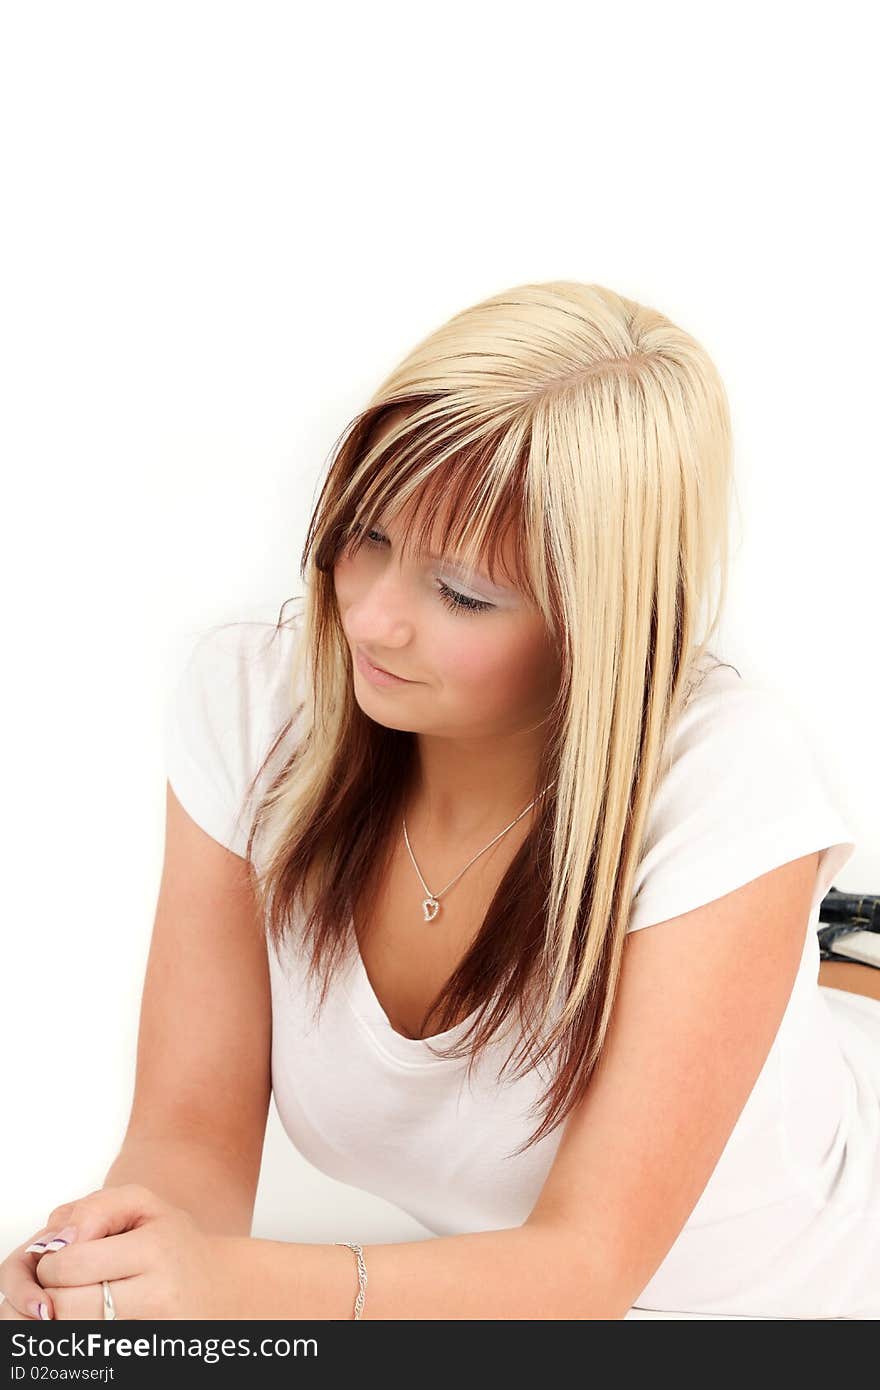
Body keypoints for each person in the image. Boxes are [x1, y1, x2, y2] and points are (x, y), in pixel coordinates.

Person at [2, 280, 877, 1321]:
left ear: (596, 621)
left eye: (460, 592)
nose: (370, 619)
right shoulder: (255, 706)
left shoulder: (728, 777)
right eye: (364, 535)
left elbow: (584, 1271)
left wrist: (234, 1283)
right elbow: (189, 1132)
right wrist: (106, 1267)